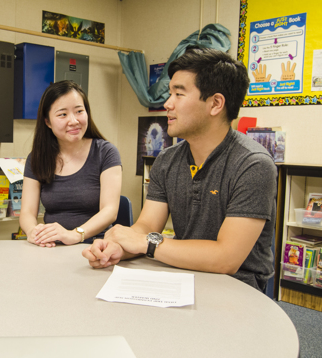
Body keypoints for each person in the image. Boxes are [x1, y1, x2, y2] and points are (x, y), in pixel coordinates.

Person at [83, 48, 276, 291]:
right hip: (182, 279)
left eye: (179, 94)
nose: (167, 103)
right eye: (169, 92)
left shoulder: (253, 164)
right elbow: (146, 227)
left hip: (238, 291)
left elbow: (225, 258)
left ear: (216, 103)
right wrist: (119, 247)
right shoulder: (167, 160)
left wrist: (145, 243)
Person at [20, 80, 122, 247]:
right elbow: (27, 212)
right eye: (63, 114)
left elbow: (109, 211)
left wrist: (75, 235)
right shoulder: (37, 158)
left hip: (95, 247)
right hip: (52, 248)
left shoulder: (106, 152)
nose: (74, 121)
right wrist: (32, 232)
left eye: (79, 111)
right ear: (47, 122)